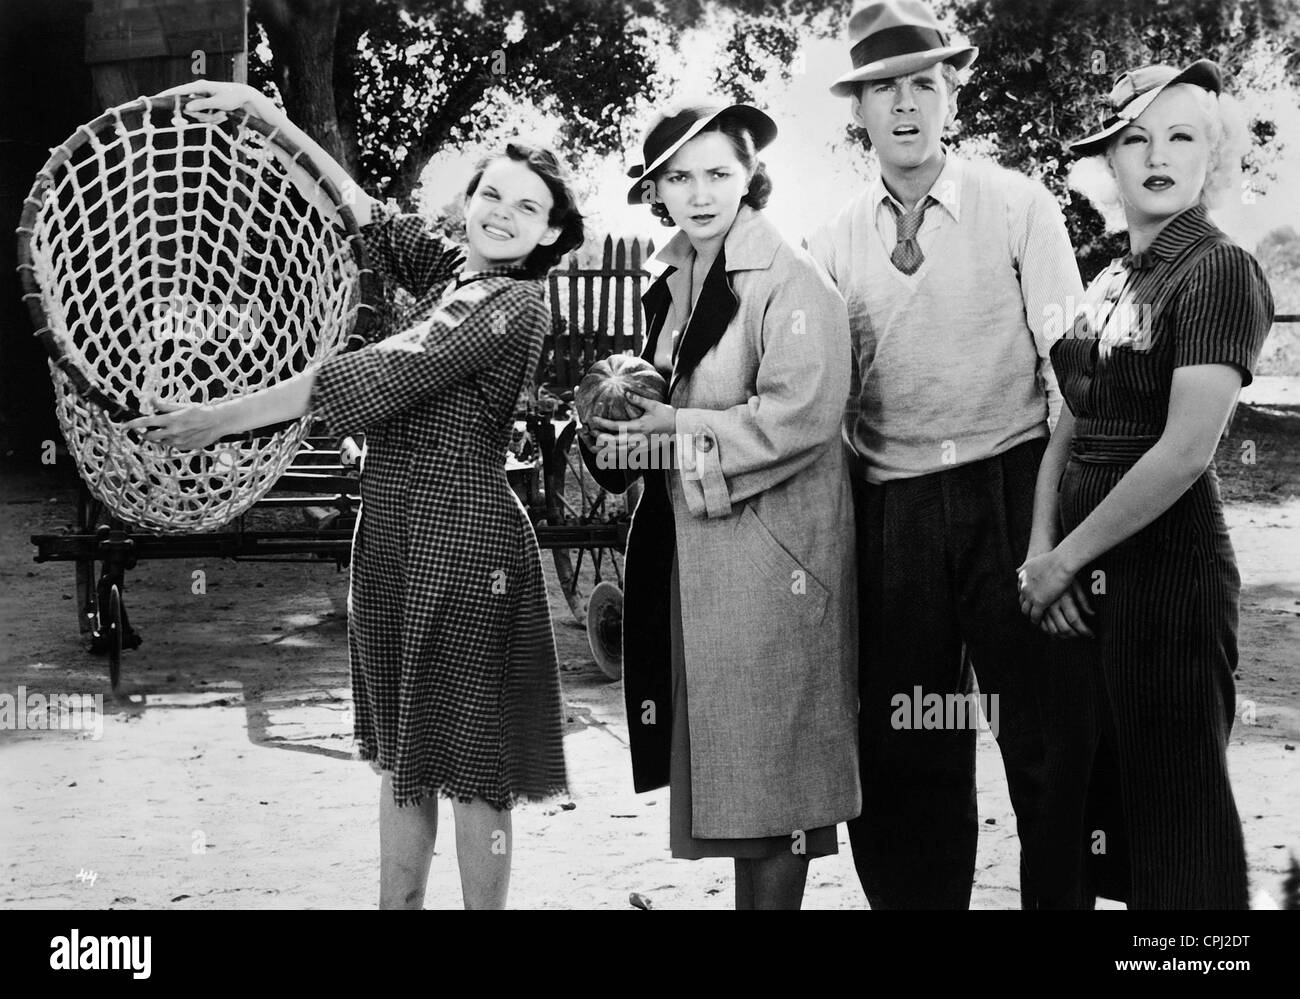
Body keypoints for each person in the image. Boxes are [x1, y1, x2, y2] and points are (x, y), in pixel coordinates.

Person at [126, 81, 584, 910]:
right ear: (468, 203)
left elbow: (385, 369)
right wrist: (260, 112)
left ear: (551, 231)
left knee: (474, 766)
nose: (503, 213)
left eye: (528, 207)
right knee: (404, 755)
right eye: (491, 194)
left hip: (468, 546)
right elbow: (363, 209)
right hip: (392, 542)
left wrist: (217, 419)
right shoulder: (455, 272)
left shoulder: (512, 305)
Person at [807, 0, 1086, 908]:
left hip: (1013, 491)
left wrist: (1050, 539)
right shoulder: (834, 239)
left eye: (923, 83)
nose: (904, 106)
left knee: (1042, 736)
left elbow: (1071, 380)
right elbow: (816, 394)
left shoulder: (1017, 204)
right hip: (893, 513)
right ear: (857, 110)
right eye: (882, 89)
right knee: (905, 746)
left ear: (952, 93)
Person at [578, 101, 860, 909]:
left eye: (717, 173)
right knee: (737, 773)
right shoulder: (672, 279)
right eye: (678, 176)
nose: (699, 192)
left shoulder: (793, 279)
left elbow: (801, 417)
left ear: (749, 178)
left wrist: (672, 427)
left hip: (772, 559)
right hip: (698, 550)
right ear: (656, 189)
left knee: (775, 780)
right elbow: (661, 407)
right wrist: (615, 436)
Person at [1017, 60, 1274, 909]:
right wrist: (1042, 553)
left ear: (1214, 157)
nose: (1157, 155)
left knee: (1174, 827)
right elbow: (1073, 422)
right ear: (1107, 163)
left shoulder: (1220, 270)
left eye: (1181, 136)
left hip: (1168, 578)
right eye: (1135, 139)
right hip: (1074, 586)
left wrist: (1068, 559)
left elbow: (1183, 452)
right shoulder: (1109, 279)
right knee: (1081, 814)